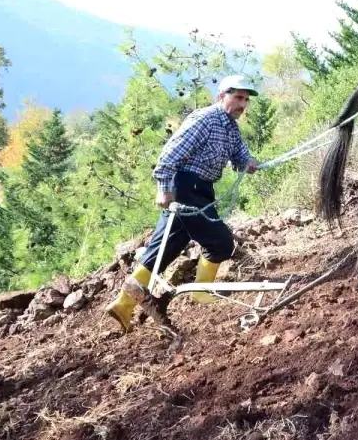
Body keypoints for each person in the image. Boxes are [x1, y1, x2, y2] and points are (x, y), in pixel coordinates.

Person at [106, 73, 261, 333]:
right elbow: (169, 155)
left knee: (166, 246)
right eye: (238, 97)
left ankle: (123, 304)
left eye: (245, 99)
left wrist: (249, 162)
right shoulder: (205, 120)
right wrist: (165, 190)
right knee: (220, 242)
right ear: (221, 96)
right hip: (185, 188)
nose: (242, 104)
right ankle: (201, 292)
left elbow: (239, 154)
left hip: (201, 189)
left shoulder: (230, 127)